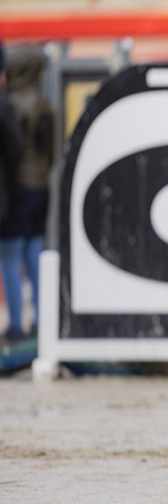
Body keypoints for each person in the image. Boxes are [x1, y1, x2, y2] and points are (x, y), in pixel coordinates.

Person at [0, 45, 52, 340]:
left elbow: (14, 151)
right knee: (35, 252)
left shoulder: (11, 104)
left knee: (8, 256)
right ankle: (41, 322)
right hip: (41, 189)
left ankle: (17, 324)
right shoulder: (46, 104)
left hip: (17, 189)